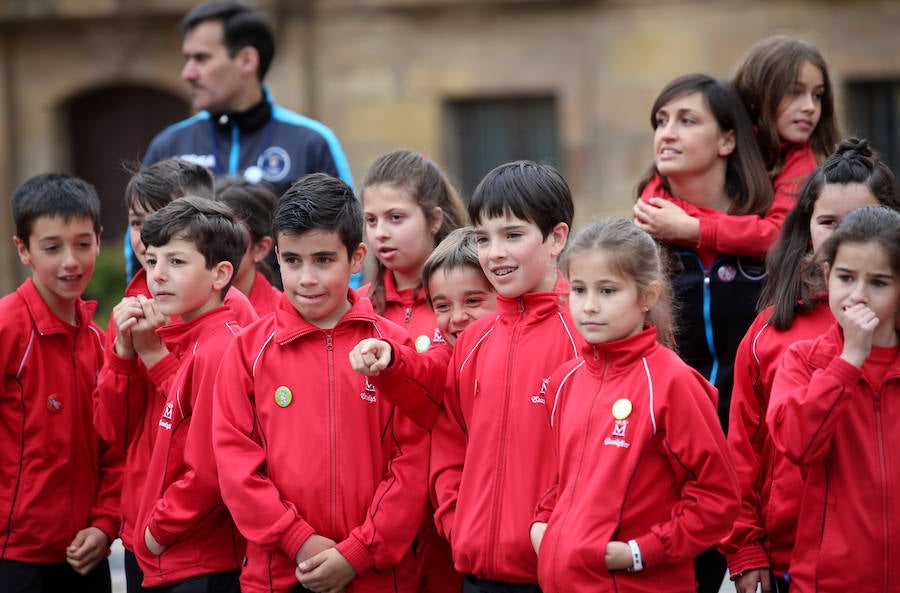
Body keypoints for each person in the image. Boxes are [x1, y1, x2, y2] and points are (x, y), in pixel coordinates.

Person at [211, 173, 430, 593]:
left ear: (357, 258)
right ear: (277, 256)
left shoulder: (392, 347)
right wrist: (297, 540)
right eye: (293, 261)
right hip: (279, 575)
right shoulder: (248, 351)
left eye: (324, 260)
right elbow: (235, 464)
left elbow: (412, 464)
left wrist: (359, 552)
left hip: (377, 578)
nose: (306, 278)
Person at [721, 138, 899, 593]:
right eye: (829, 223)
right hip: (797, 563)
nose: (847, 236)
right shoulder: (774, 333)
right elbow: (743, 448)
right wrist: (744, 546)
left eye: (860, 219)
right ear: (807, 227)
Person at [529, 219, 739, 593]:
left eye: (607, 290)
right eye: (579, 289)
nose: (590, 306)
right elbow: (561, 481)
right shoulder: (564, 381)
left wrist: (640, 552)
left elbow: (718, 499)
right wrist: (542, 527)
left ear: (647, 296)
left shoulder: (673, 383)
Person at [633, 73, 772, 592]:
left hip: (764, 471)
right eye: (660, 120)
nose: (666, 132)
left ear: (728, 140)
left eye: (687, 120)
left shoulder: (772, 234)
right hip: (670, 477)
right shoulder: (638, 246)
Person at [94, 157, 258, 593]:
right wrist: (123, 357)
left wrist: (155, 357)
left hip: (190, 537)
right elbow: (112, 431)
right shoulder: (132, 307)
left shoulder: (230, 314)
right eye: (137, 223)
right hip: (143, 529)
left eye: (165, 217)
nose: (146, 234)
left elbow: (211, 434)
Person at [430, 161, 582, 593]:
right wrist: (457, 520)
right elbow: (451, 442)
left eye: (512, 235)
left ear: (556, 238)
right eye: (483, 238)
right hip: (478, 574)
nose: (494, 252)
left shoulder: (584, 336)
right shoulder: (473, 341)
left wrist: (564, 538)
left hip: (557, 575)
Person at [130, 0, 352, 282]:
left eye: (201, 58)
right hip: (187, 311)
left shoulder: (312, 142)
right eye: (187, 59)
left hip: (283, 310)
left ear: (247, 60)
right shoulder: (168, 145)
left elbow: (345, 240)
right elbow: (137, 243)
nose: (188, 73)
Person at [767, 205, 900, 593]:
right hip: (827, 581)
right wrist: (848, 362)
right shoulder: (803, 361)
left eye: (879, 283)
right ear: (826, 275)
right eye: (846, 277)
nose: (858, 296)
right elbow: (797, 445)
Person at [0, 173, 119, 593]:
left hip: (84, 554)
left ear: (99, 240)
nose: (71, 261)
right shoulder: (8, 328)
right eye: (52, 248)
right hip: (13, 556)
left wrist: (105, 524)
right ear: (24, 250)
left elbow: (115, 448)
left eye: (83, 244)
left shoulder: (101, 342)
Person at [130, 197, 249, 591]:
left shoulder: (219, 348)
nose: (158, 275)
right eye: (152, 261)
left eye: (176, 262)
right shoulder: (197, 340)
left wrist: (156, 532)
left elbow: (209, 470)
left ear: (220, 274)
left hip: (201, 561)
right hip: (185, 558)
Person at [634, 36, 838, 259]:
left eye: (817, 96)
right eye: (794, 92)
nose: (810, 107)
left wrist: (693, 228)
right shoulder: (723, 138)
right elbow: (651, 210)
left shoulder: (802, 158)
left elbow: (779, 235)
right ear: (758, 93)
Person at [350, 226, 497, 429]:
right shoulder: (447, 361)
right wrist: (391, 359)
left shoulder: (526, 354)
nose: (458, 317)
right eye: (443, 306)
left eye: (472, 301)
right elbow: (424, 370)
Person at [361, 149, 467, 353]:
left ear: (434, 220)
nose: (380, 233)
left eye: (396, 217)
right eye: (371, 220)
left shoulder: (471, 302)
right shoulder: (358, 305)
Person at [216, 177, 281, 315]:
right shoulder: (179, 307)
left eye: (228, 239)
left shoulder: (283, 315)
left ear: (260, 248)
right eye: (207, 236)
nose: (213, 247)